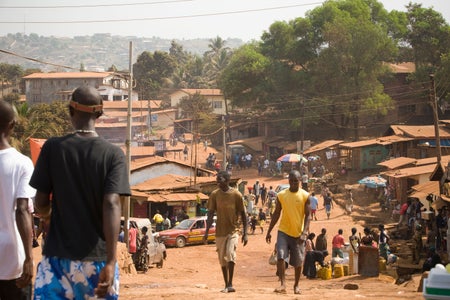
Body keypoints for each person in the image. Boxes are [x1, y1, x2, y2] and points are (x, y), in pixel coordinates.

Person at [31, 86, 131, 299]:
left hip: (57, 260)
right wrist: (111, 262)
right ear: (99, 114)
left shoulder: (52, 148)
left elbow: (40, 201)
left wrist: (48, 215)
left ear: (70, 110)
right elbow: (112, 204)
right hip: (98, 260)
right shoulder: (114, 155)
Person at [0, 100, 35, 300]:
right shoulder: (22, 163)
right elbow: (22, 209)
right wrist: (29, 260)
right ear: (12, 125)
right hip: (13, 257)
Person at [266, 170, 311, 295]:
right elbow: (276, 214)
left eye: (296, 181)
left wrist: (304, 233)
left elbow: (308, 216)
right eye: (291, 181)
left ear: (300, 181)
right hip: (283, 231)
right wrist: (269, 231)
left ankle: (296, 285)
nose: (293, 183)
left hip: (298, 233)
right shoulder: (281, 195)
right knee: (280, 256)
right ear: (288, 181)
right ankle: (283, 284)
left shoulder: (305, 196)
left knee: (298, 262)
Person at [203, 171, 248, 293]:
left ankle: (230, 283)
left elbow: (244, 214)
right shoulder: (214, 195)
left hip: (233, 231)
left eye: (220, 180)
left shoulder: (236, 195)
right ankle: (225, 283)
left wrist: (245, 233)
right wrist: (206, 232)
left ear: (227, 180)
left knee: (230, 255)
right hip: (220, 232)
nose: (218, 182)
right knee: (222, 259)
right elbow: (210, 214)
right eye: (217, 180)